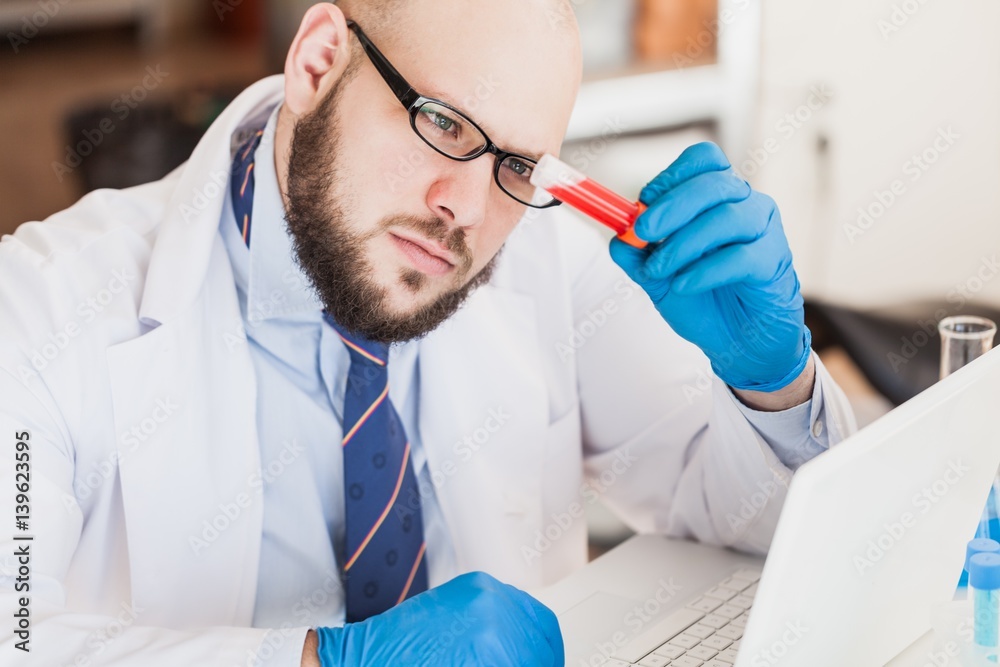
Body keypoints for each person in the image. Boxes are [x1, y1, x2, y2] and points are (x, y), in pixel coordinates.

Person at [0, 0, 855, 665]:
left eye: (516, 164)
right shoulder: (43, 310)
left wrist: (773, 384)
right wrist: (314, 660)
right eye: (442, 122)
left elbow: (754, 523)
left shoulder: (545, 254)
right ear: (319, 60)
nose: (466, 209)